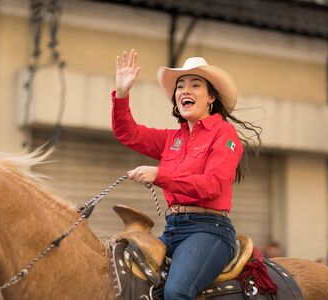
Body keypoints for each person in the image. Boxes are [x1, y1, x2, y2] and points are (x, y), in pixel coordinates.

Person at [111, 49, 261, 299]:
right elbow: (128, 133)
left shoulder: (224, 134)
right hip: (173, 229)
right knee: (130, 280)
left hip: (210, 230)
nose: (184, 91)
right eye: (180, 86)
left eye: (195, 85)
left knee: (177, 292)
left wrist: (160, 175)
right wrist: (123, 93)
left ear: (211, 97)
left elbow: (212, 185)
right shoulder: (172, 138)